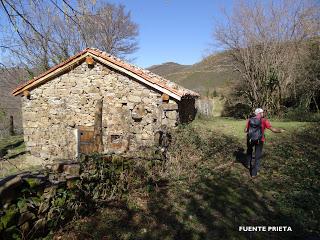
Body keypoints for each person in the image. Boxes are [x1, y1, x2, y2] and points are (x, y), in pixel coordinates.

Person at [244, 108, 285, 178]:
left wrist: (251, 132)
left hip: (250, 139)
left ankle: (248, 164)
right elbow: (273, 129)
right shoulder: (264, 120)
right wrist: (280, 131)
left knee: (249, 151)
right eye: (262, 112)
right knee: (257, 156)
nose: (263, 113)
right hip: (260, 140)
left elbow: (245, 130)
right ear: (260, 113)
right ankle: (254, 173)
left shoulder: (250, 120)